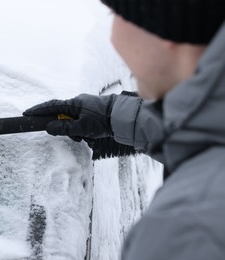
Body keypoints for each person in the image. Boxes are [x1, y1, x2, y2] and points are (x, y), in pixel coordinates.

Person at [23, 1, 225, 259]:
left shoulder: (188, 229)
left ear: (162, 31)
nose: (113, 38)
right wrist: (108, 117)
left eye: (115, 13)